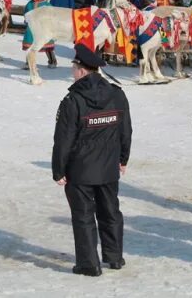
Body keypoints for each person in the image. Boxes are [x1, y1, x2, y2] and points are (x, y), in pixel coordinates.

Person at [52, 43, 132, 277]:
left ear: (82, 70)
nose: (72, 71)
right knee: (110, 212)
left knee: (84, 216)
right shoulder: (117, 94)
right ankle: (114, 257)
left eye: (73, 67)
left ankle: (89, 264)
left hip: (81, 170)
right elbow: (126, 131)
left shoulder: (72, 101)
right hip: (108, 167)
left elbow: (63, 140)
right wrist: (123, 158)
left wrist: (58, 170)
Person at [23, 0, 57, 67]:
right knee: (30, 46)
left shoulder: (45, 4)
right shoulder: (29, 4)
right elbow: (26, 13)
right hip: (32, 28)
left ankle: (52, 61)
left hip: (43, 28)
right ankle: (29, 63)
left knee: (47, 45)